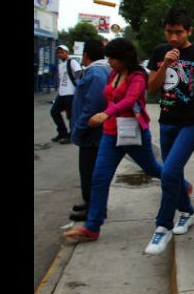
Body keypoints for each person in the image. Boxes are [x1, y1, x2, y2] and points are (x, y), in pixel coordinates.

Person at [63, 38, 169, 244]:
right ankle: (92, 227)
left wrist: (106, 113)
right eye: (108, 57)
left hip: (132, 133)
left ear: (124, 58)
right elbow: (108, 95)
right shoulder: (113, 73)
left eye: (113, 58)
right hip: (111, 134)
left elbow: (130, 100)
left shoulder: (138, 76)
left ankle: (181, 184)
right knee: (100, 177)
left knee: (153, 169)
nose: (109, 61)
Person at [146, 8, 194, 254]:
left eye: (178, 32)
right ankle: (186, 210)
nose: (174, 37)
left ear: (189, 31)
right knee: (172, 173)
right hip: (167, 121)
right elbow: (153, 88)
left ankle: (162, 227)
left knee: (169, 172)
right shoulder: (159, 52)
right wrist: (166, 63)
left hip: (192, 122)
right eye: (169, 32)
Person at [67, 40, 111, 222]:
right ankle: (90, 203)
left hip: (92, 134)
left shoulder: (95, 72)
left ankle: (95, 209)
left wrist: (80, 127)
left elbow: (93, 104)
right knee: (88, 171)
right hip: (92, 133)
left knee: (89, 172)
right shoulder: (98, 71)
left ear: (86, 55)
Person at [50, 44, 82, 144]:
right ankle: (62, 133)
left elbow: (79, 73)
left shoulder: (72, 62)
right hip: (62, 93)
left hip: (71, 93)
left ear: (67, 53)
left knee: (71, 116)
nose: (60, 54)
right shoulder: (60, 64)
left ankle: (71, 135)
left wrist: (78, 85)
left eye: (62, 52)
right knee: (54, 112)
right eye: (59, 53)